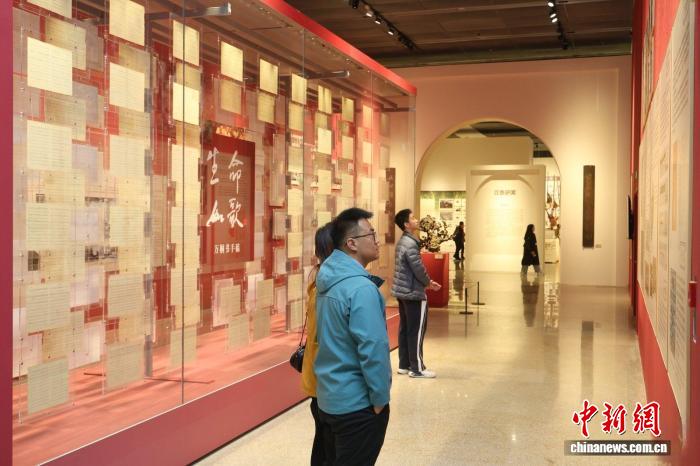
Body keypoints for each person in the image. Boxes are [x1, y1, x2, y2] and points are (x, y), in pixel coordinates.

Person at [315, 208, 391, 465]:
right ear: (352, 243)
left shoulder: (328, 281)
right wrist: (380, 400)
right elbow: (373, 347)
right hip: (357, 405)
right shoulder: (361, 289)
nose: (377, 240)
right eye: (371, 234)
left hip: (329, 398)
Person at [391, 209, 441, 379]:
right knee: (416, 331)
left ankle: (404, 365)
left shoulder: (403, 242)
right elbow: (418, 268)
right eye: (413, 218)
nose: (416, 220)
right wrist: (428, 283)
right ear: (406, 224)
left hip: (403, 291)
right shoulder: (410, 243)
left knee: (405, 328)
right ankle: (417, 368)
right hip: (413, 293)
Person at [300, 223, 335, 466]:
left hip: (320, 382)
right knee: (328, 447)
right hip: (325, 384)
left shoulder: (320, 282)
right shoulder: (325, 289)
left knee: (324, 443)